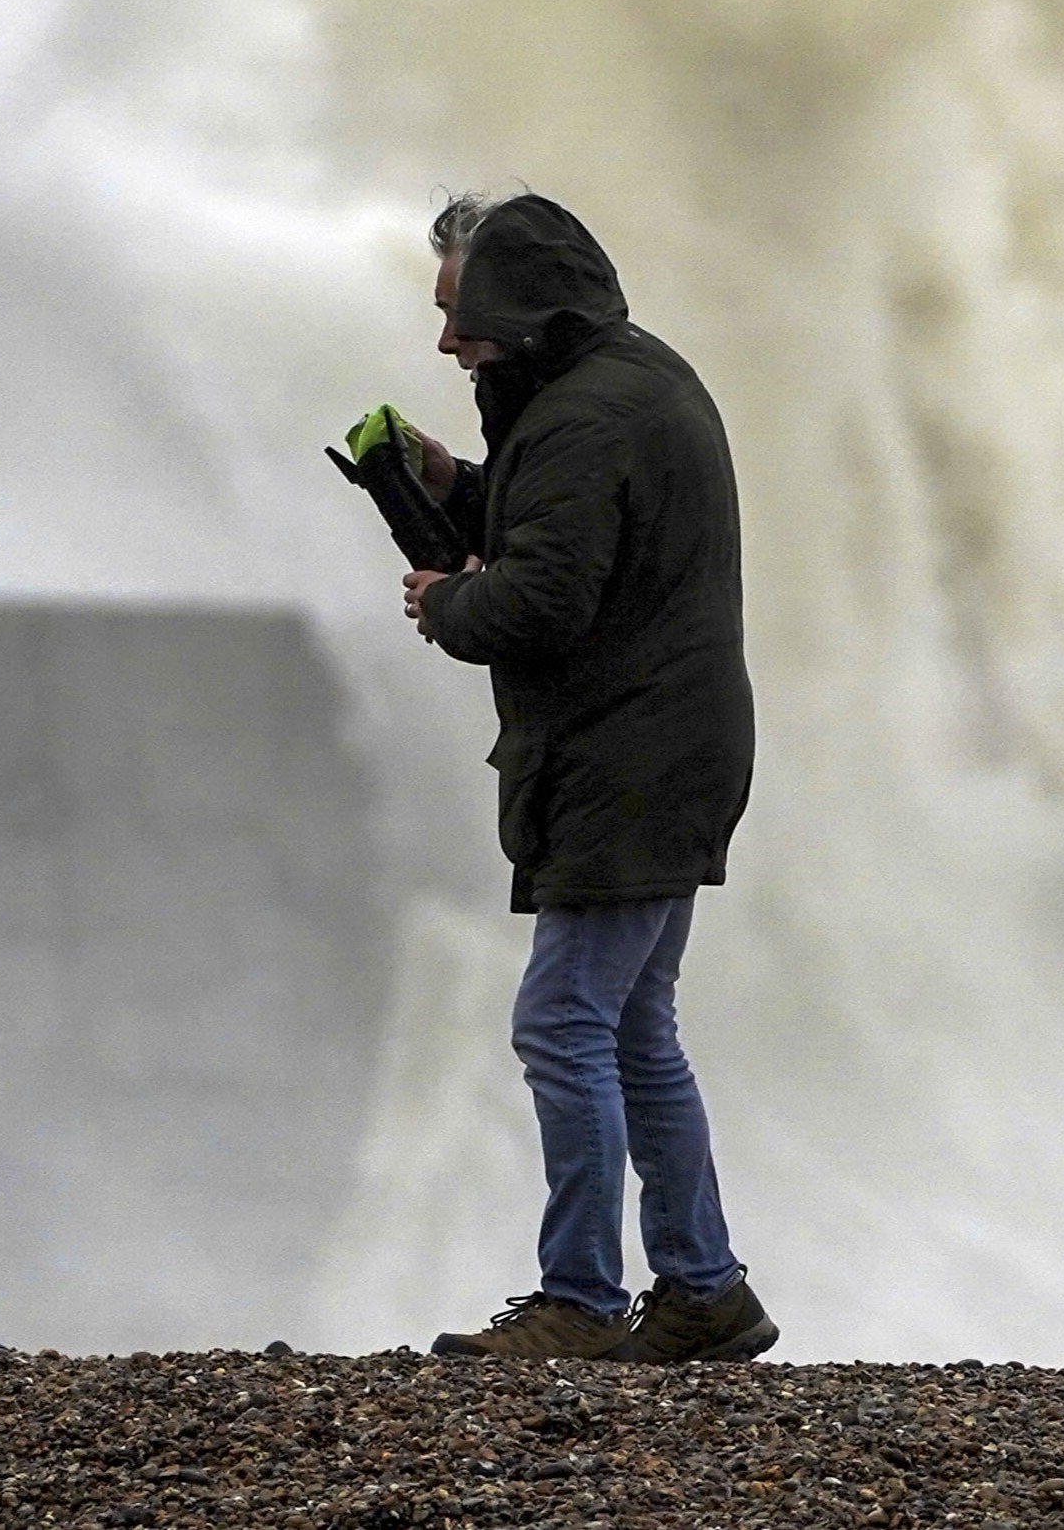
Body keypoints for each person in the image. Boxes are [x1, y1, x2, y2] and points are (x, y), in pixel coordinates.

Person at [328, 191, 774, 1366]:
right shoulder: (615, 385)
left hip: (627, 756)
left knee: (561, 1020)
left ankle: (578, 1297)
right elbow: (566, 538)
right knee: (634, 1025)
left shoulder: (585, 418)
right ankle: (703, 1291)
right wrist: (447, 479)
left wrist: (444, 604)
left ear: (513, 300)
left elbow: (538, 599)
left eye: (455, 313)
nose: (444, 341)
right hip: (669, 746)